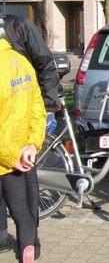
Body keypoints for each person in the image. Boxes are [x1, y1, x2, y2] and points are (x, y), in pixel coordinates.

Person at [0, 13, 58, 259]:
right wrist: (32, 145)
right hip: (22, 147)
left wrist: (11, 155)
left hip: (9, 153)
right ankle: (27, 252)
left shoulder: (20, 30)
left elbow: (46, 66)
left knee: (22, 206)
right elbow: (36, 105)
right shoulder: (21, 61)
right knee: (23, 214)